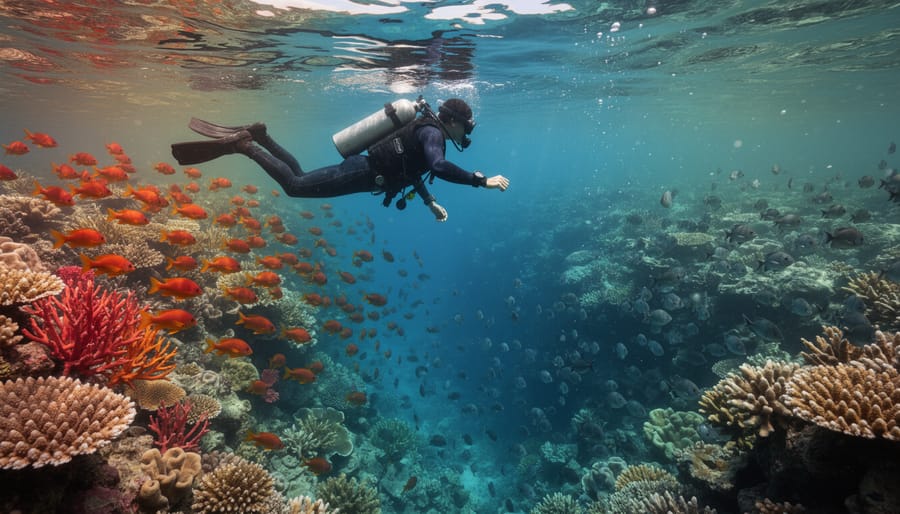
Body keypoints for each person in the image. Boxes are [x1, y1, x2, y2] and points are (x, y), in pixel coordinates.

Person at [171, 98, 509, 221]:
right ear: (453, 122)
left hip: (362, 169)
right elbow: (436, 166)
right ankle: (245, 145)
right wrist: (480, 180)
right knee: (294, 186)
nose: (467, 134)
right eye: (466, 127)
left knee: (300, 174)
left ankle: (261, 136)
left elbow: (410, 168)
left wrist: (429, 201)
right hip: (362, 174)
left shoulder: (427, 128)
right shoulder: (433, 134)